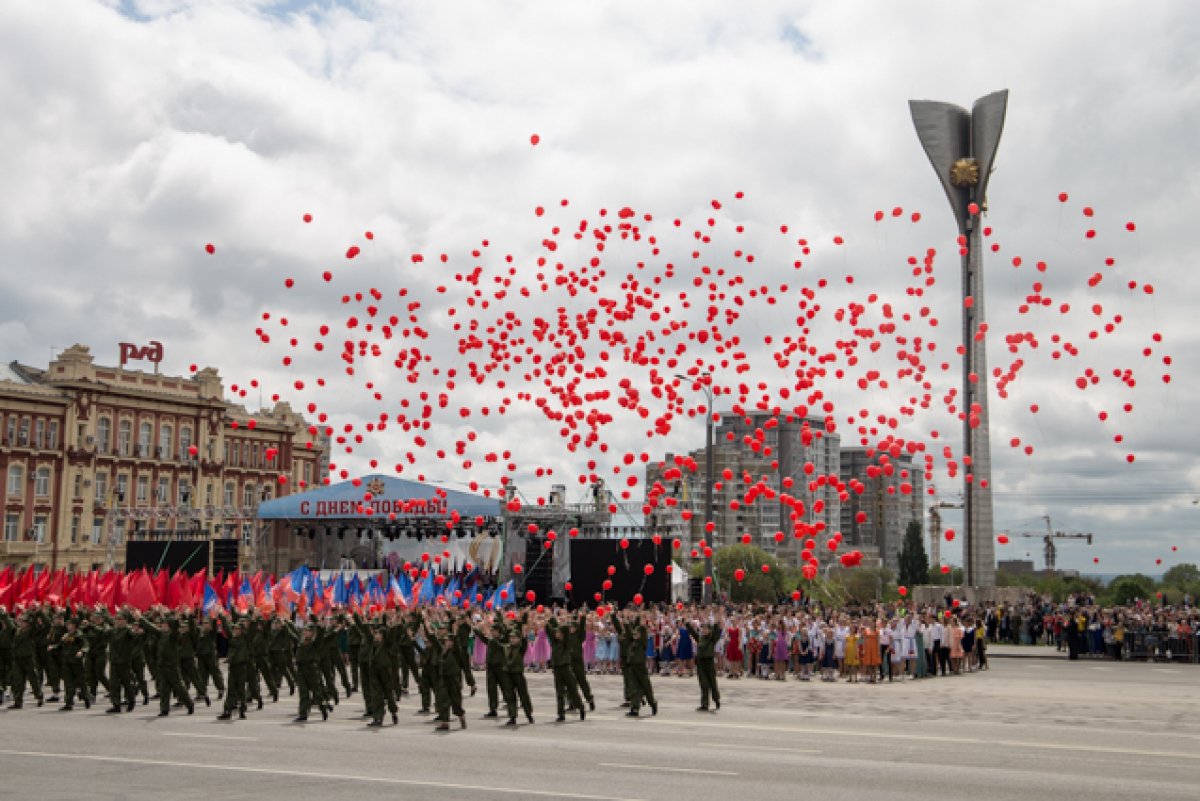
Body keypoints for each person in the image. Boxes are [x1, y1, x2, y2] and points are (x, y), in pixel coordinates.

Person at [293, 625, 329, 722]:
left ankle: (323, 707)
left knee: (317, 692)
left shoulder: (315, 643)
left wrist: (320, 625)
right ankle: (303, 714)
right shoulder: (301, 642)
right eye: (305, 631)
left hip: (311, 669)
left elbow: (320, 635)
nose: (305, 633)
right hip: (301, 669)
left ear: (312, 633)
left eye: (308, 631)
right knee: (303, 693)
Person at [686, 618, 720, 711]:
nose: (704, 630)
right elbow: (692, 633)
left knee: (712, 683)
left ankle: (716, 699)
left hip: (709, 662)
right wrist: (687, 623)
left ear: (709, 630)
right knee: (703, 684)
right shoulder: (700, 638)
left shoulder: (712, 639)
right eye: (703, 629)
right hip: (700, 662)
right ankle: (704, 704)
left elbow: (716, 633)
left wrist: (716, 624)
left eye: (706, 629)